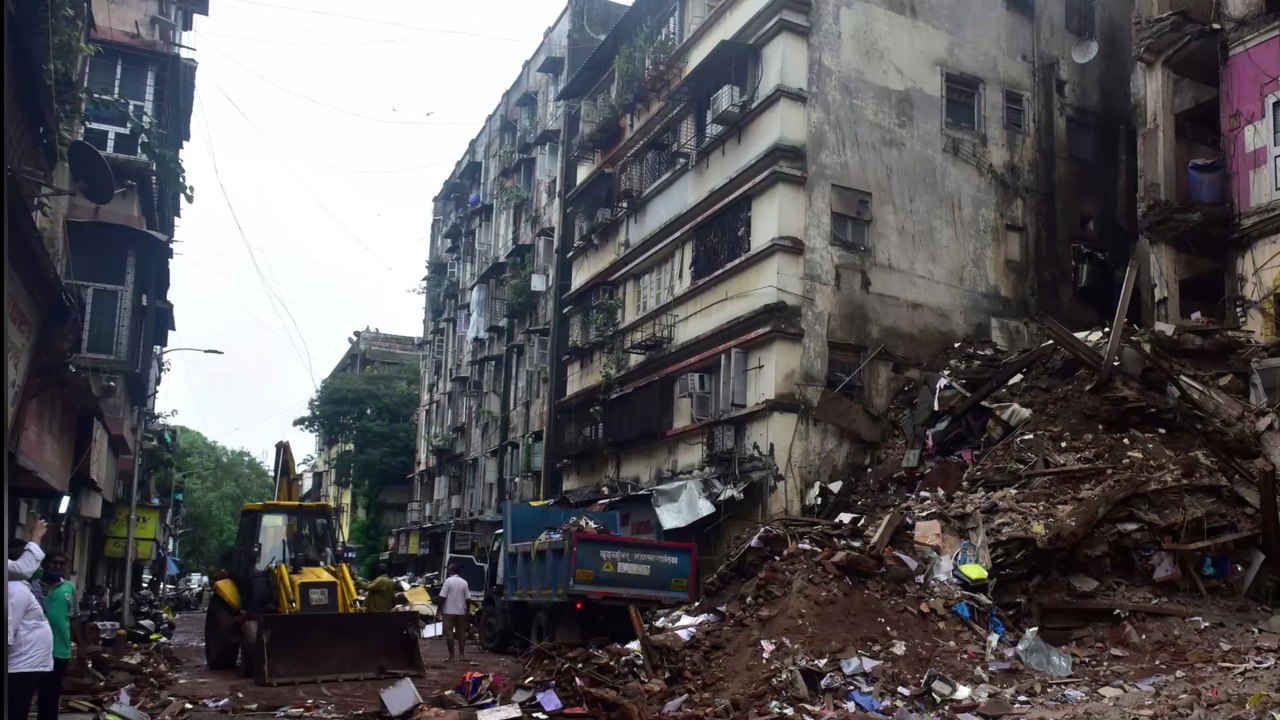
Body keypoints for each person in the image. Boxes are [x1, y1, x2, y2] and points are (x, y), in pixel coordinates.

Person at [8, 541, 54, 720]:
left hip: (23, 663)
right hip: (19, 665)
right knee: (16, 710)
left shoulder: (21, 587)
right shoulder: (16, 589)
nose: (39, 568)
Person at [35, 551, 80, 720]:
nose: (58, 567)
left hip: (59, 649)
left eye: (62, 564)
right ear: (46, 564)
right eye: (55, 563)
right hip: (33, 648)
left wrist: (81, 645)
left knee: (51, 693)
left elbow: (74, 617)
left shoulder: (68, 587)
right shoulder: (33, 585)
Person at [438, 564, 471, 661]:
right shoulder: (464, 582)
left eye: (448, 569)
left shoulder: (448, 581)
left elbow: (442, 597)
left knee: (449, 633)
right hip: (461, 612)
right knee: (461, 633)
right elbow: (468, 599)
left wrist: (439, 608)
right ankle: (461, 655)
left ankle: (451, 656)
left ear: (451, 571)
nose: (447, 571)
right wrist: (467, 611)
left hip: (448, 611)